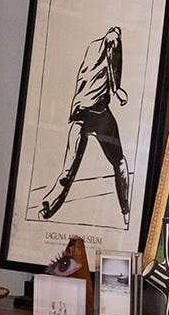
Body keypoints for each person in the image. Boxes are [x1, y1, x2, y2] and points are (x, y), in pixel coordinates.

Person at [36, 26, 132, 221]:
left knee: (69, 170)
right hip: (98, 114)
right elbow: (113, 65)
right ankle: (126, 211)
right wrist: (117, 91)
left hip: (81, 112)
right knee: (119, 161)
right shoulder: (112, 42)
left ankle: (48, 208)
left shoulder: (93, 47)